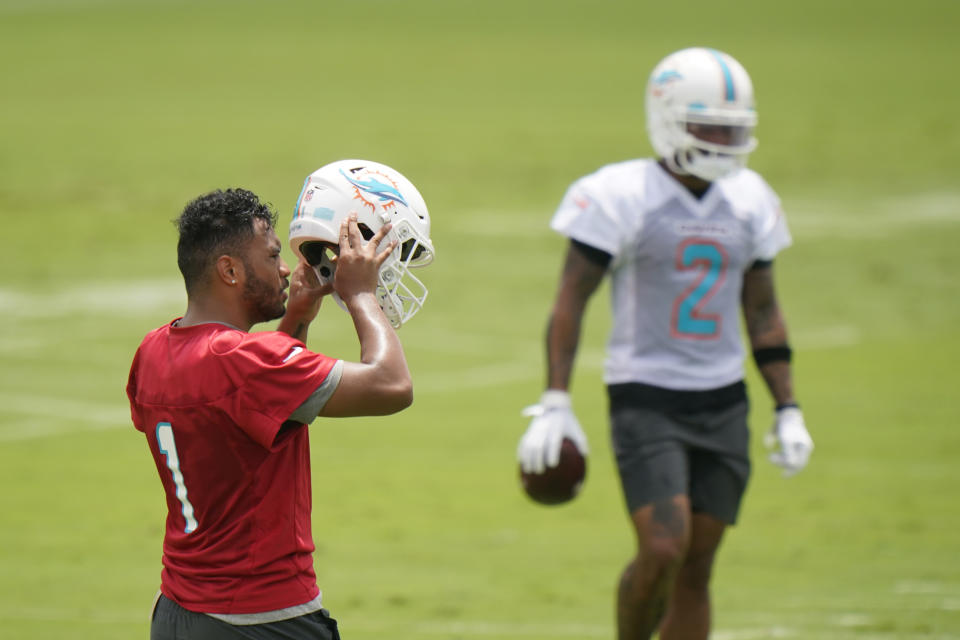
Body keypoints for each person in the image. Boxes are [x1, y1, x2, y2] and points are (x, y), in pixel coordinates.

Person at [517, 47, 814, 640]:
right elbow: (571, 299)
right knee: (662, 547)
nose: (724, 138)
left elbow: (762, 309)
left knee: (696, 567)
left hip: (724, 399)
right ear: (669, 116)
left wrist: (787, 407)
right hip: (646, 396)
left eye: (734, 127)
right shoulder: (620, 194)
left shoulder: (751, 198)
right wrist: (555, 400)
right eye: (711, 125)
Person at [128, 170, 431, 639]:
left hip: (177, 614)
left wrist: (296, 317)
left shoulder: (152, 350)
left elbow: (255, 410)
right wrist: (361, 296)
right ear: (229, 271)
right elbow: (392, 385)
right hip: (263, 621)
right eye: (272, 257)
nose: (287, 269)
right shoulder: (245, 361)